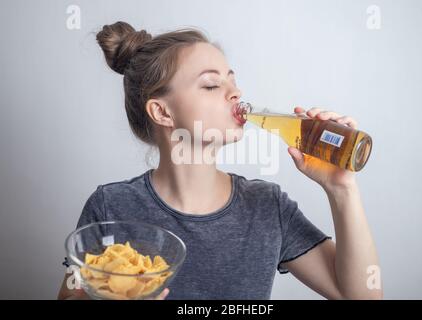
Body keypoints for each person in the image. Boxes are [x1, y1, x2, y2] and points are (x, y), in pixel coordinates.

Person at [58, 21, 382, 300]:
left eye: (232, 80)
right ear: (162, 112)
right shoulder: (111, 206)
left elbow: (361, 295)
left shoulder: (268, 206)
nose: (235, 93)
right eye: (212, 84)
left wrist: (342, 190)